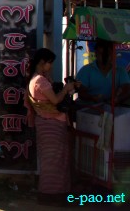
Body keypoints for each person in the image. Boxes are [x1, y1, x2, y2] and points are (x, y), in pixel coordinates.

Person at [26, 48, 77, 202]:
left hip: (48, 123)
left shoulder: (39, 79)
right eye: (49, 63)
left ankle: (52, 193)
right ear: (42, 62)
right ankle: (53, 195)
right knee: (54, 161)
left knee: (54, 160)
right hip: (51, 125)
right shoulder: (40, 81)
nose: (51, 66)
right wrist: (66, 89)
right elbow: (55, 100)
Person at [75, 38, 130, 106]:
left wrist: (118, 99)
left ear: (113, 54)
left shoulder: (121, 71)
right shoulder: (86, 70)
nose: (104, 57)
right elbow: (81, 92)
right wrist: (92, 98)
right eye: (101, 53)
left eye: (108, 54)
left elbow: (126, 89)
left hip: (113, 108)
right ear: (96, 54)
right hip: (89, 107)